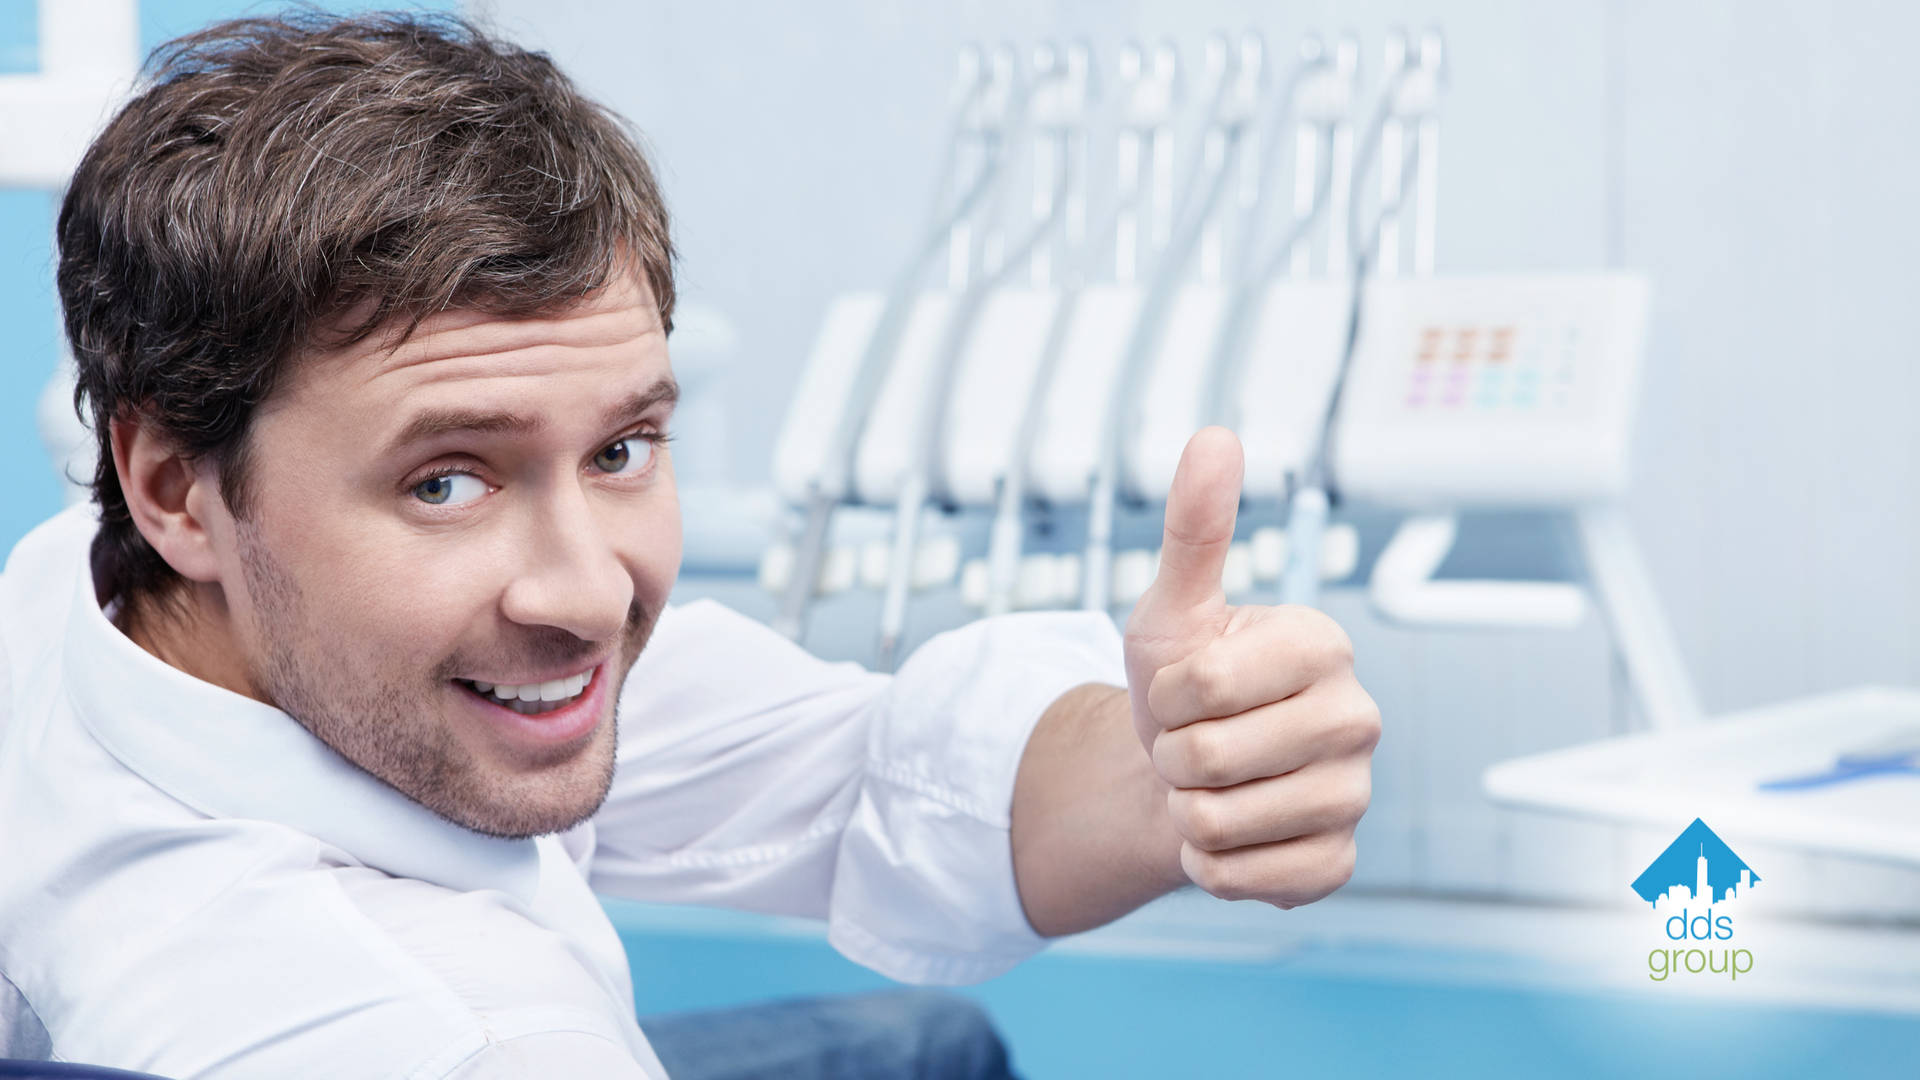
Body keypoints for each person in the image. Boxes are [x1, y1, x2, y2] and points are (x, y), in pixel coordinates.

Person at [0, 13, 1379, 1080]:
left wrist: (1159, 779)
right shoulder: (457, 1034)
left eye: (618, 450)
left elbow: (860, 779)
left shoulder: (83, 588)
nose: (589, 588)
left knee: (919, 1043)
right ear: (178, 485)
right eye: (447, 481)